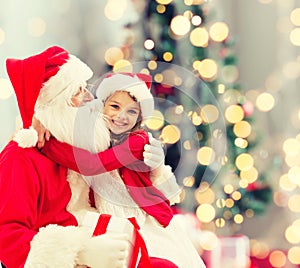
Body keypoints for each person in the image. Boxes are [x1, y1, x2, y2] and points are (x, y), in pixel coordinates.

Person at [0, 46, 167, 267]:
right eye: (79, 91)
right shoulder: (22, 156)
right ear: (59, 101)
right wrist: (79, 253)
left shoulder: (79, 145)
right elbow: (8, 238)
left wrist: (154, 168)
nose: (90, 98)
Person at [39, 72, 207, 268]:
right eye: (115, 107)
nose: (121, 116)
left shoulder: (138, 141)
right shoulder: (95, 135)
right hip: (110, 220)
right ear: (103, 106)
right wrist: (47, 123)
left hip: (143, 220)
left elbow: (93, 165)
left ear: (139, 118)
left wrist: (48, 144)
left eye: (131, 111)